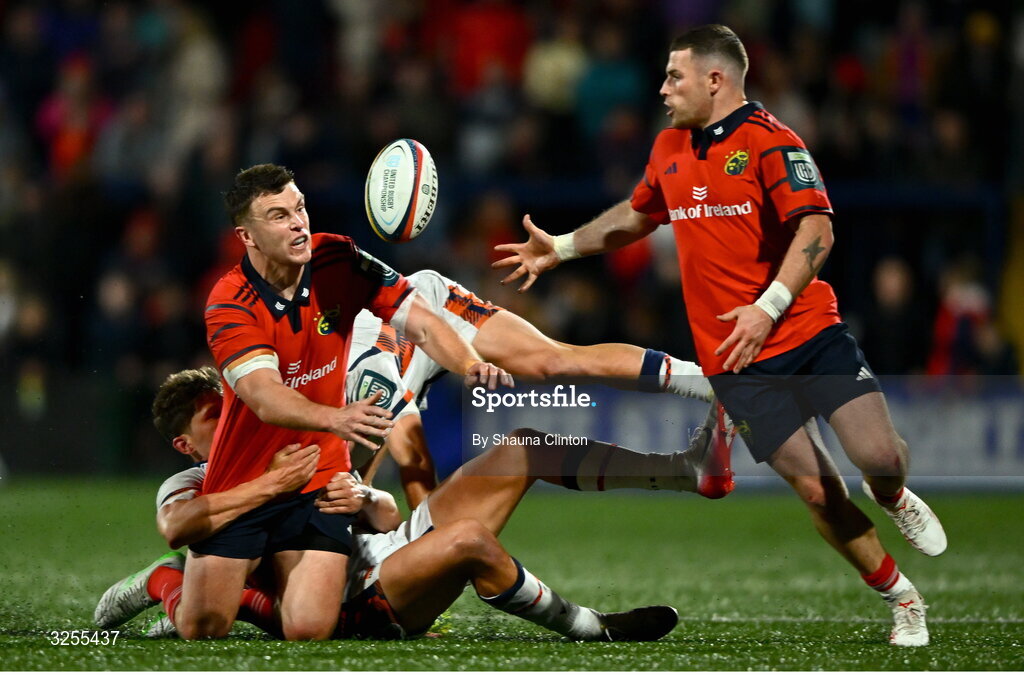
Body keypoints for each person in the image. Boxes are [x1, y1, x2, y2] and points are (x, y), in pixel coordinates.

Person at [493, 24, 946, 647]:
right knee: (818, 490)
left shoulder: (771, 142)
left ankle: (891, 493)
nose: (662, 88)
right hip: (734, 360)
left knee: (881, 457)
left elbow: (818, 229)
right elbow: (638, 213)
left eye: (674, 76)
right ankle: (903, 598)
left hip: (806, 331)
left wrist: (768, 307)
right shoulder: (668, 147)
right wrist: (565, 246)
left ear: (716, 79)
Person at [95, 366, 693, 642]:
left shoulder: (288, 437)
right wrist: (270, 489)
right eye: (214, 416)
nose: (233, 418)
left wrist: (363, 495)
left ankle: (679, 473)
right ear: (184, 443)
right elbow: (183, 529)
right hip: (365, 596)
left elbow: (381, 517)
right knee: (468, 544)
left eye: (229, 405)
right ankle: (595, 629)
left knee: (524, 448)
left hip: (385, 548)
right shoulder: (194, 483)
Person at [186, 163, 513, 641]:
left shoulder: (338, 258)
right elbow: (263, 396)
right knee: (202, 628)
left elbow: (421, 321)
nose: (299, 222)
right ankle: (167, 581)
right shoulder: (229, 301)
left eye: (299, 208)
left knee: (310, 630)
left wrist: (472, 365)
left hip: (321, 478)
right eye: (278, 215)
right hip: (248, 477)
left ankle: (257, 597)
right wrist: (335, 417)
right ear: (247, 236)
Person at [345, 268, 734, 507]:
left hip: (426, 302)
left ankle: (712, 385)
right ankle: (684, 467)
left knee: (552, 361)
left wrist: (425, 553)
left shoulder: (359, 386)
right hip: (383, 348)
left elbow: (413, 463)